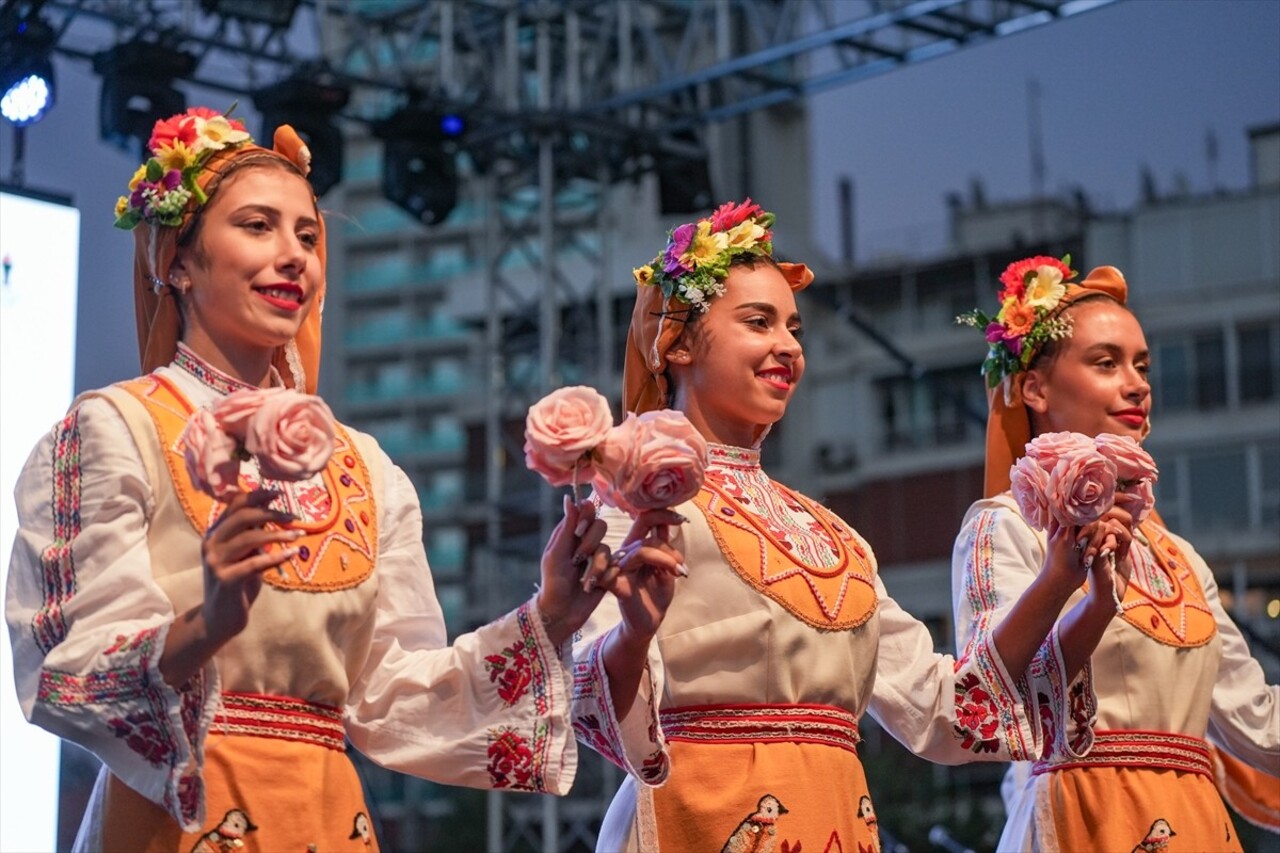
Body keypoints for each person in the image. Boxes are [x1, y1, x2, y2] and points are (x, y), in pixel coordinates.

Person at [5, 107, 615, 851]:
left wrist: (550, 613)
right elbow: (72, 666)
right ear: (177, 260)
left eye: (307, 234)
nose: (294, 255)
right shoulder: (115, 427)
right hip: (178, 806)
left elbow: (392, 695)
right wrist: (208, 623)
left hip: (327, 814)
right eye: (258, 226)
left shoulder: (363, 465)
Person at [567, 202, 1131, 852]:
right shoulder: (637, 507)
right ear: (679, 341)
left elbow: (946, 709)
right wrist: (636, 630)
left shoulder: (837, 540)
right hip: (698, 822)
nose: (788, 346)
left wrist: (1059, 577)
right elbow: (587, 692)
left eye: (795, 328)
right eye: (758, 322)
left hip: (837, 819)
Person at [951, 258, 1280, 851]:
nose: (1138, 383)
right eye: (1106, 363)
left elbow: (1257, 723)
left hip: (1195, 824)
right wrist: (1075, 591)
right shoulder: (1006, 526)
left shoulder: (1179, 556)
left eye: (1142, 365)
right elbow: (993, 693)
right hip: (1082, 817)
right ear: (1034, 388)